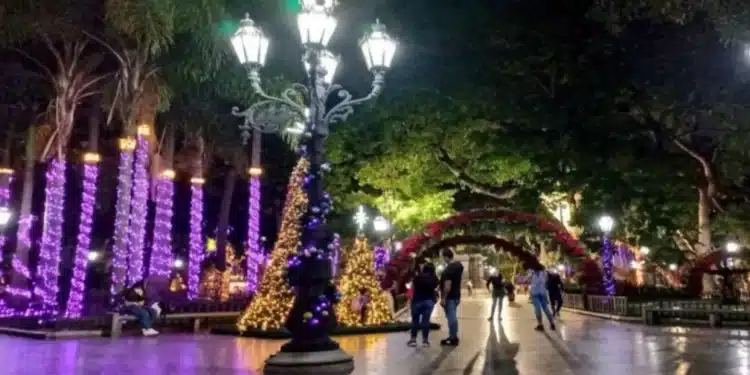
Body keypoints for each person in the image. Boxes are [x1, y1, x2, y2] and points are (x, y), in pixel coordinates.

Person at [408, 262, 439, 347]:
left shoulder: (417, 277)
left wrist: (410, 299)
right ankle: (425, 341)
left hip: (417, 301)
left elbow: (412, 289)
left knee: (415, 321)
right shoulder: (434, 279)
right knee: (425, 321)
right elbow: (436, 290)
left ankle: (413, 340)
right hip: (428, 301)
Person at [439, 248, 464, 346]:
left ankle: (453, 338)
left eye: (443, 257)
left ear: (445, 257)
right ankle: (453, 335)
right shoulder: (459, 266)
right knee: (452, 316)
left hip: (449, 298)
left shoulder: (448, 270)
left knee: (451, 318)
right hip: (457, 296)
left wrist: (444, 298)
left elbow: (447, 285)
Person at [526, 264, 555, 331]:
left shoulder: (531, 272)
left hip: (535, 292)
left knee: (537, 308)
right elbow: (547, 280)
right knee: (546, 308)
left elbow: (527, 280)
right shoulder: (544, 272)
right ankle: (552, 324)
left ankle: (540, 325)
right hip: (542, 292)